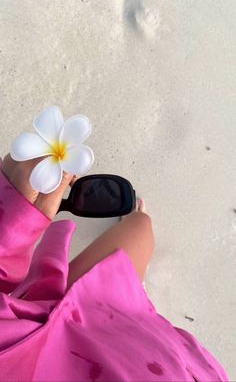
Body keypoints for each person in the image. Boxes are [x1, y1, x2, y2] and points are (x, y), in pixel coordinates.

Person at [0, 153, 229, 381]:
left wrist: (13, 229)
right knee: (141, 226)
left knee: (140, 227)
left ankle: (134, 296)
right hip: (151, 349)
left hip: (54, 337)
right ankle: (139, 301)